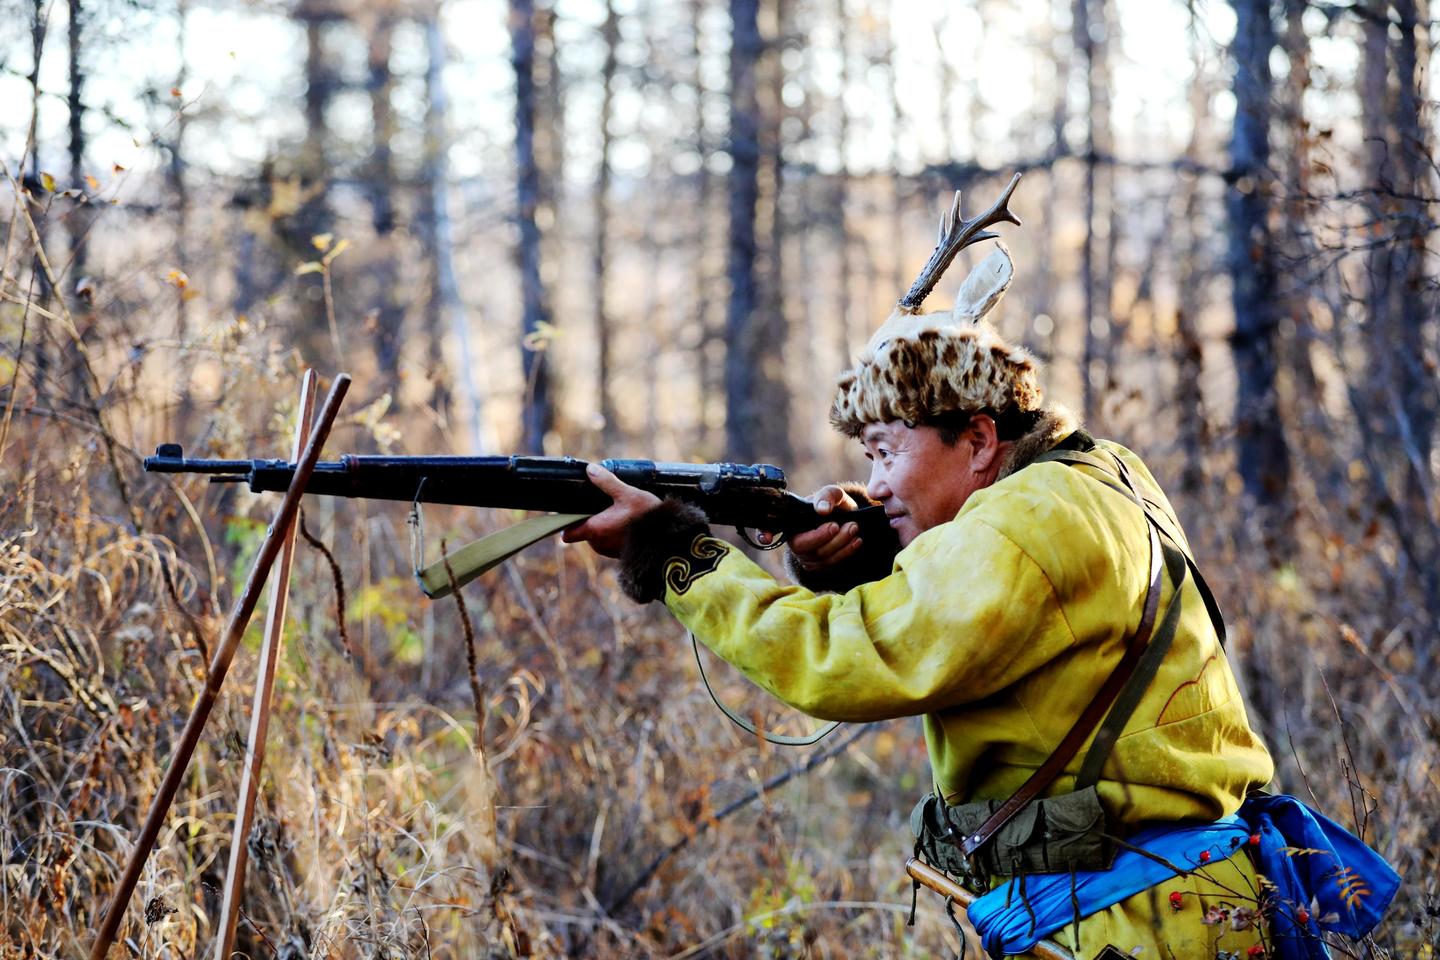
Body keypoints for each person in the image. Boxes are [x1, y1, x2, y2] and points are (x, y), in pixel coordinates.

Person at [562, 200, 1395, 958]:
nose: (877, 480)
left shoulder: (1025, 521)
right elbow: (1020, 615)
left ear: (979, 439)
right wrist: (875, 557)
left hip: (1135, 921)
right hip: (1171, 900)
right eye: (868, 456)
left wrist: (675, 553)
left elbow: (841, 658)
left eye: (889, 449)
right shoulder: (1097, 474)